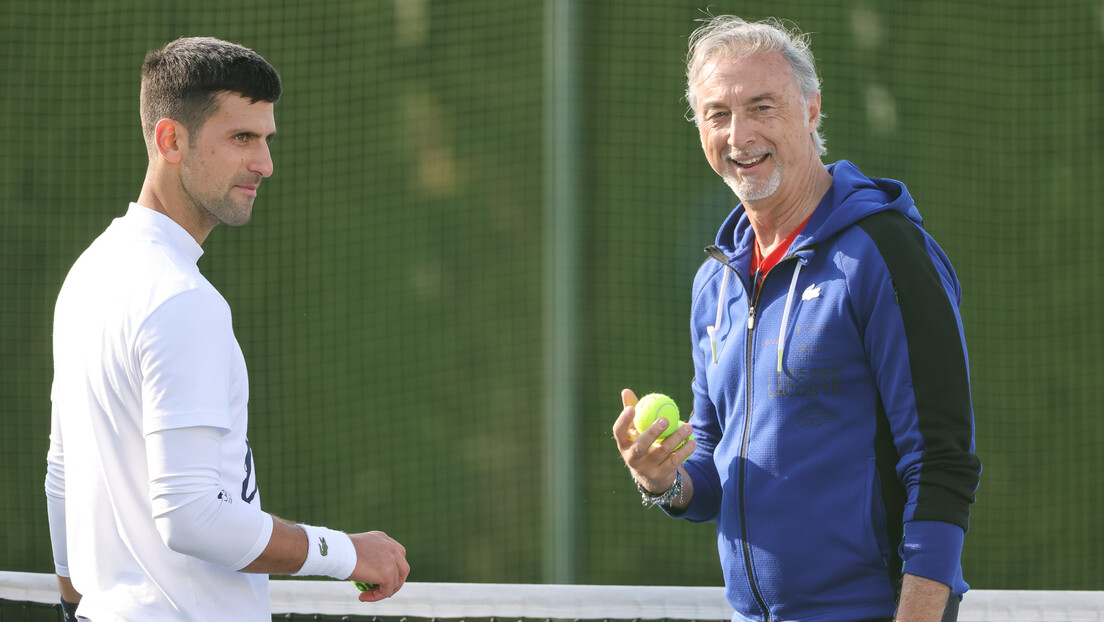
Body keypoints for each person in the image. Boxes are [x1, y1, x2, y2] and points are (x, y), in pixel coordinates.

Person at [612, 16, 980, 622]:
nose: (740, 134)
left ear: (812, 110)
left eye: (762, 107)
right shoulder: (716, 281)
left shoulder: (885, 252)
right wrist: (664, 480)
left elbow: (940, 460)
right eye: (717, 114)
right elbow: (711, 462)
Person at [44, 37, 409, 621]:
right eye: (242, 138)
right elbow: (194, 517)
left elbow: (61, 476)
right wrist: (349, 553)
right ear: (170, 140)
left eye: (265, 139)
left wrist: (72, 606)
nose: (264, 163)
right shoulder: (182, 300)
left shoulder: (89, 274)